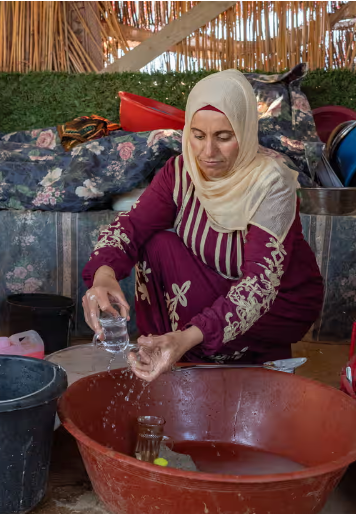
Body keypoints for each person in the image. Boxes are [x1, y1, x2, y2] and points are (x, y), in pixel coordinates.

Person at [82, 69, 324, 382]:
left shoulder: (271, 183)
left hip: (277, 302)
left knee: (202, 337)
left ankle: (191, 351)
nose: (208, 153)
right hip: (216, 280)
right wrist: (103, 275)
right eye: (198, 136)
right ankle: (165, 350)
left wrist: (187, 336)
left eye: (223, 137)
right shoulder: (182, 171)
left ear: (245, 131)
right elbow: (131, 227)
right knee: (155, 245)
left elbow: (259, 286)